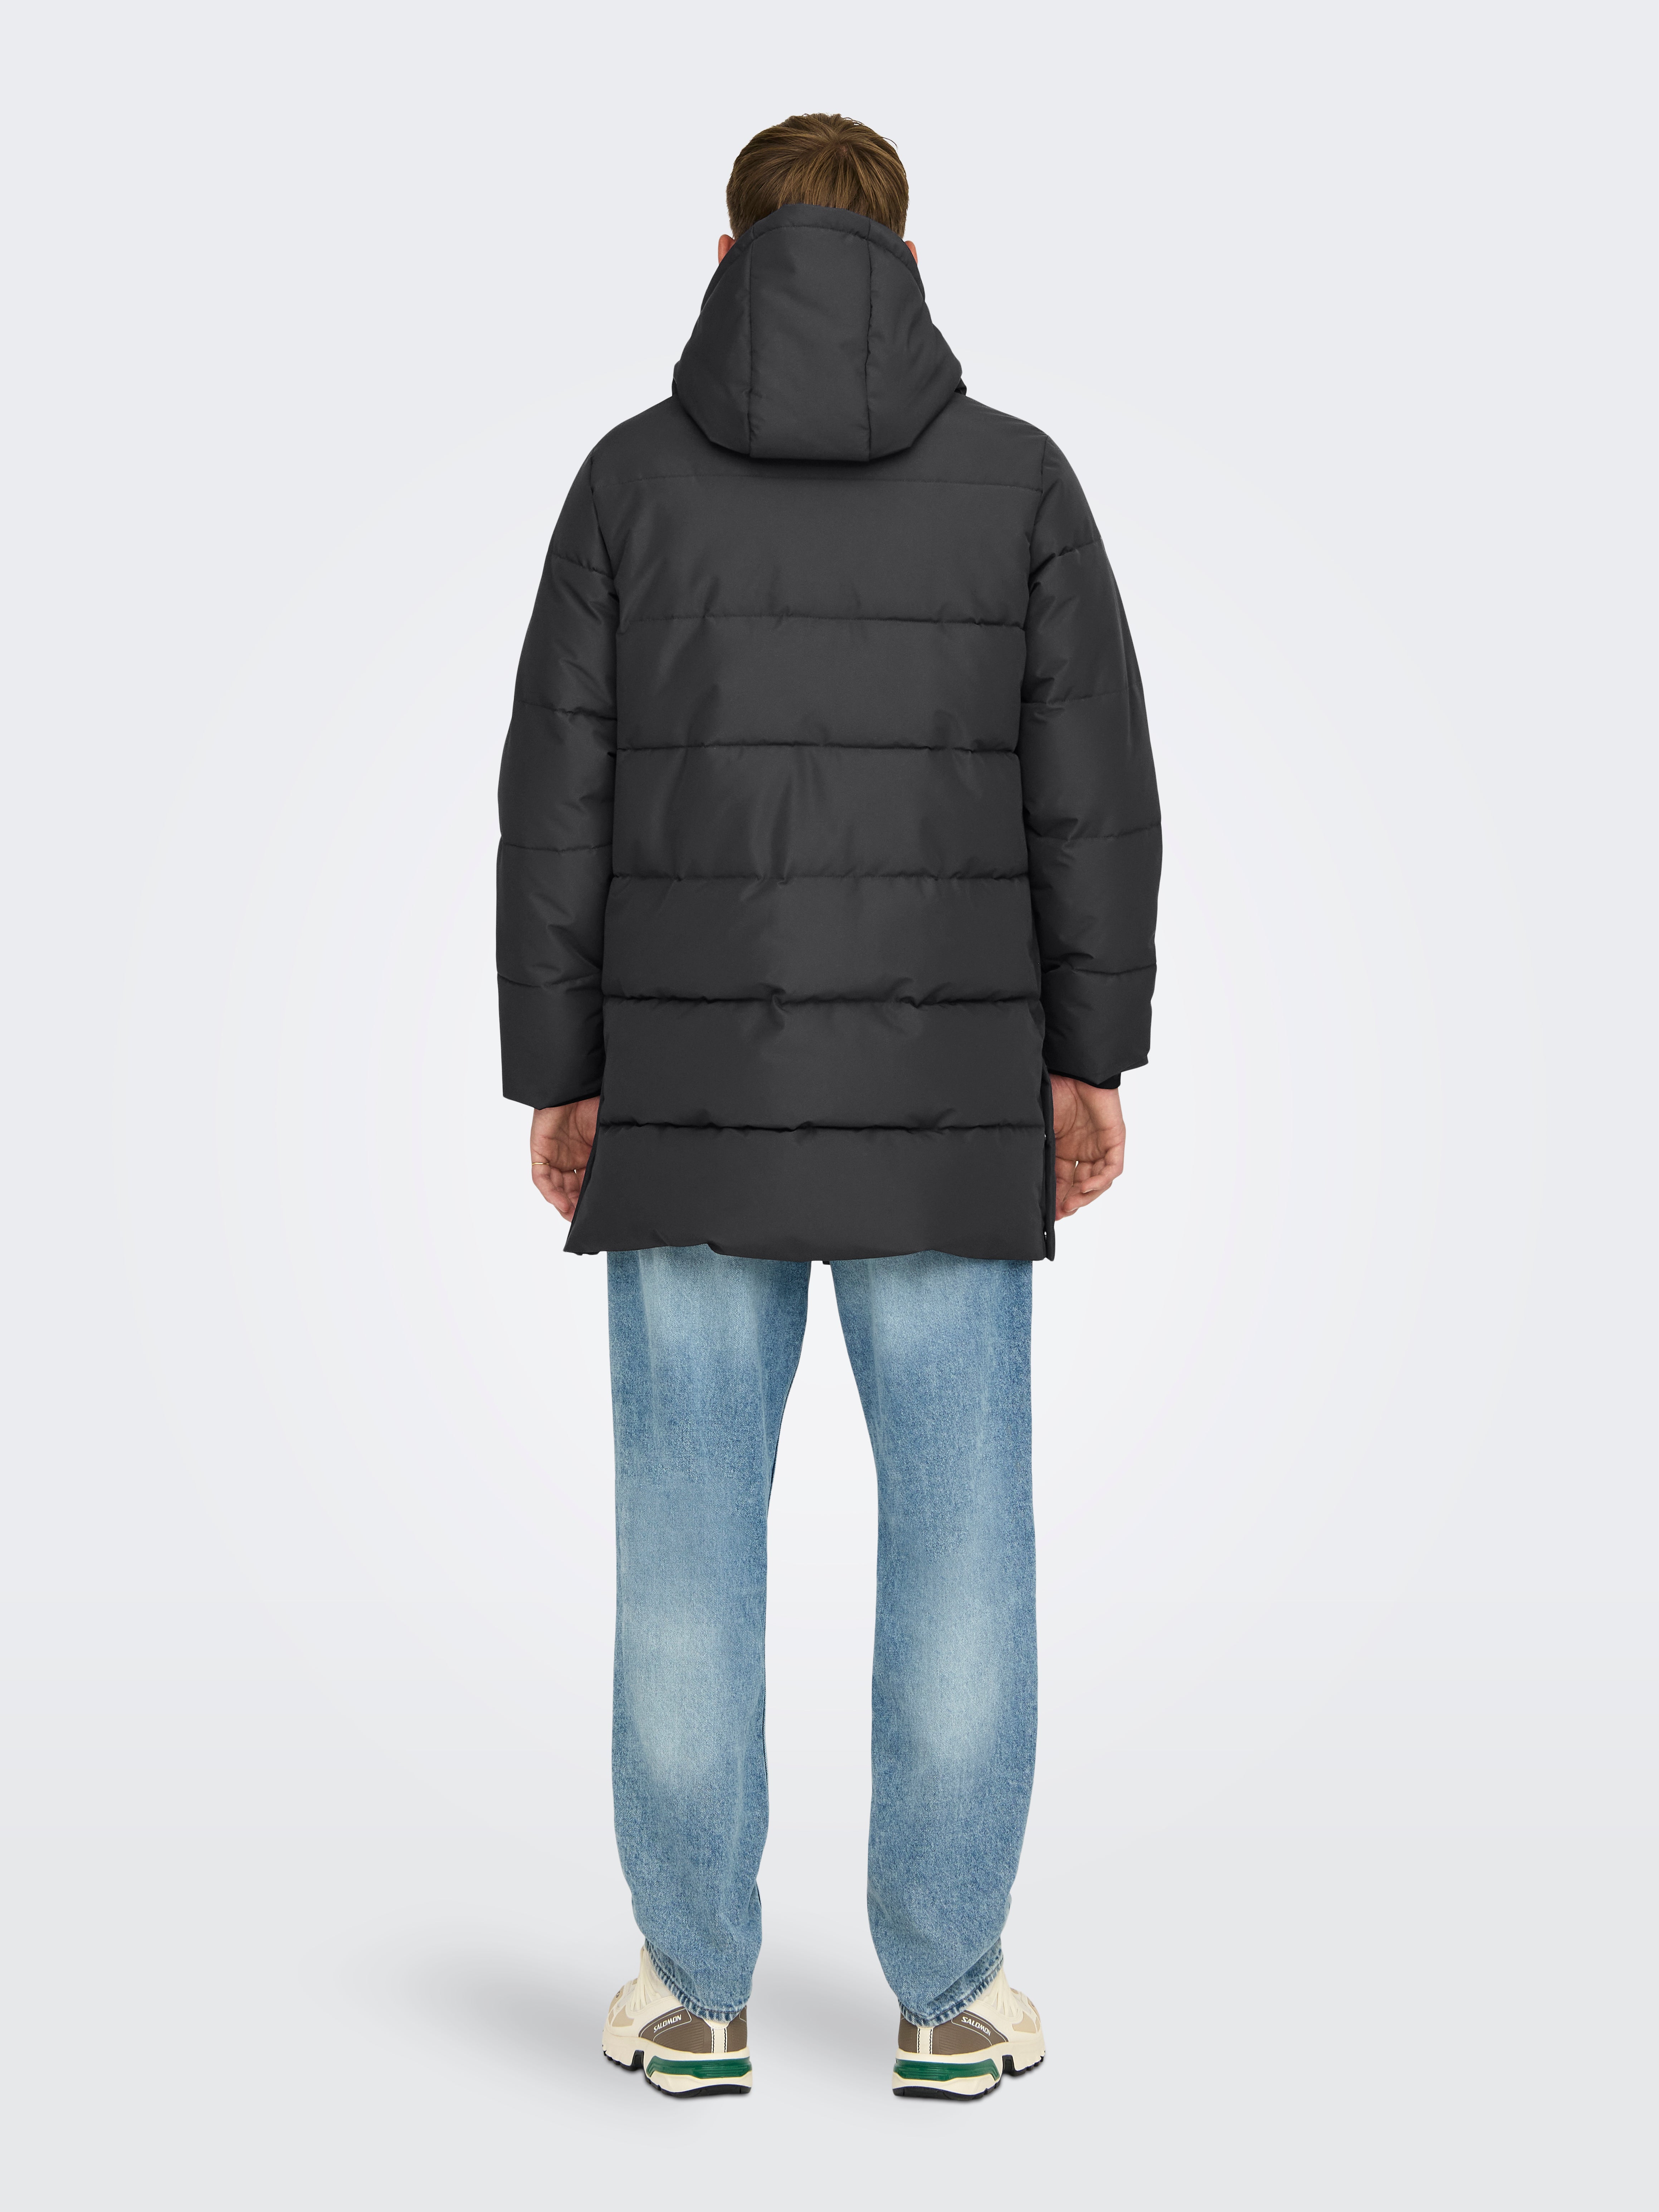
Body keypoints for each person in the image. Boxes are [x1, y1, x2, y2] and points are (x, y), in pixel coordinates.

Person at [496, 112, 1160, 2100]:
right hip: (948, 1107)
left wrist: (561, 1073)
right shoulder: (1017, 482)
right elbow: (1098, 796)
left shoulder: (630, 484)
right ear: (906, 260)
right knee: (963, 1546)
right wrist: (1091, 1054)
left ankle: (696, 1996)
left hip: (688, 1103)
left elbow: (554, 806)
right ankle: (948, 1999)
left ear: (728, 256)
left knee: (686, 1548)